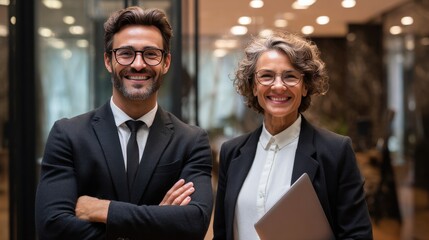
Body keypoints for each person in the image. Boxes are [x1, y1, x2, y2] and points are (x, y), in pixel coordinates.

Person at [35, 6, 213, 240]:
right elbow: (52, 228)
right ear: (108, 61)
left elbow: (194, 224)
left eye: (151, 53)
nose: (138, 64)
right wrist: (159, 222)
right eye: (126, 53)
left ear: (166, 62)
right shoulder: (68, 135)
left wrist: (104, 210)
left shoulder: (191, 141)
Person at [213, 31, 373, 240]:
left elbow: (358, 235)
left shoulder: (335, 151)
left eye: (290, 76)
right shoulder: (231, 152)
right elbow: (222, 233)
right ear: (253, 86)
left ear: (305, 86)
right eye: (267, 76)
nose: (278, 86)